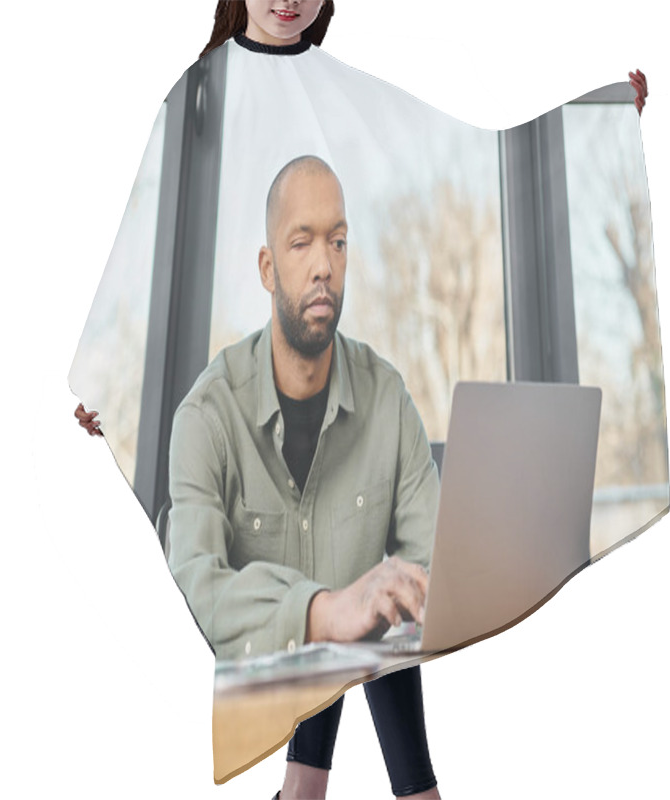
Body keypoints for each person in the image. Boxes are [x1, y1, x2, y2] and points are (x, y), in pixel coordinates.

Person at [73, 0, 649, 438]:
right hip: (222, 387)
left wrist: (606, 109)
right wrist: (94, 385)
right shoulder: (200, 92)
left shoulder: (345, 91)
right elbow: (142, 236)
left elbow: (466, 147)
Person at [169, 154, 440, 799]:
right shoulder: (207, 417)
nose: (325, 264)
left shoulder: (387, 400)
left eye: (338, 242)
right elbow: (193, 592)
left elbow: (432, 573)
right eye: (302, 242)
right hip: (226, 736)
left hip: (329, 720)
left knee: (383, 595)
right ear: (268, 268)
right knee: (343, 601)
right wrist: (322, 611)